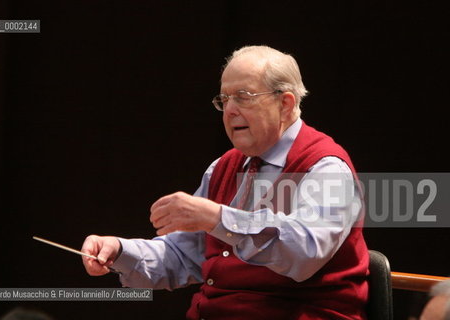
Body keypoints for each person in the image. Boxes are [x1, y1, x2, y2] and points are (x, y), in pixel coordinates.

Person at [81, 45, 369, 319]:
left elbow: (303, 253)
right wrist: (118, 251)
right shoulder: (223, 167)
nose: (229, 110)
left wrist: (216, 217)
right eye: (224, 99)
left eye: (243, 97)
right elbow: (182, 255)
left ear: (285, 103)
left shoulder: (325, 167)